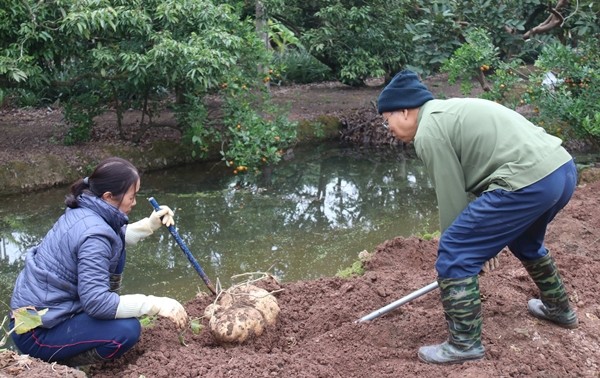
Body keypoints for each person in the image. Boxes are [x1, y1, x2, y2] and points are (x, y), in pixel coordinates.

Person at [377, 70, 578, 364]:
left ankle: (464, 344)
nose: (388, 129)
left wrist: (467, 249)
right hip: (560, 171)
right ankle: (560, 309)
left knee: (455, 249)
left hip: (529, 180)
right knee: (526, 243)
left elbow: (451, 198)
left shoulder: (429, 130)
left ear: (405, 111)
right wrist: (483, 244)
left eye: (387, 121)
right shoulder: (450, 112)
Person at [10, 157, 188, 367]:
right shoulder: (94, 235)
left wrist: (149, 225)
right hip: (36, 331)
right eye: (132, 196)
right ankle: (61, 366)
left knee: (121, 310)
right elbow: (97, 303)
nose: (135, 202)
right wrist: (155, 304)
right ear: (109, 196)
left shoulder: (86, 208)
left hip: (47, 314)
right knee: (126, 331)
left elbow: (113, 241)